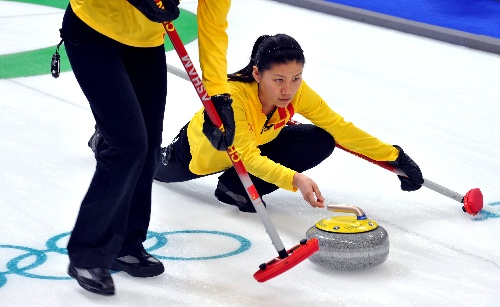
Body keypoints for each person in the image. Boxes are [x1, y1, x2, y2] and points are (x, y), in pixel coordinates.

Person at [60, 0, 234, 296]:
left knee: (150, 147)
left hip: (146, 44)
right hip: (93, 28)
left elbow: (214, 25)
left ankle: (126, 243)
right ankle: (87, 253)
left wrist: (217, 94)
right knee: (127, 146)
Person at [152, 33, 424, 213]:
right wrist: (294, 179)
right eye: (279, 80)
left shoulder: (297, 92)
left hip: (255, 148)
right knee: (147, 164)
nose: (288, 90)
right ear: (257, 74)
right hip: (198, 155)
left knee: (321, 139)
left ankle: (234, 189)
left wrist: (393, 155)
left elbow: (338, 127)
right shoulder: (233, 98)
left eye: (296, 78)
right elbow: (246, 156)